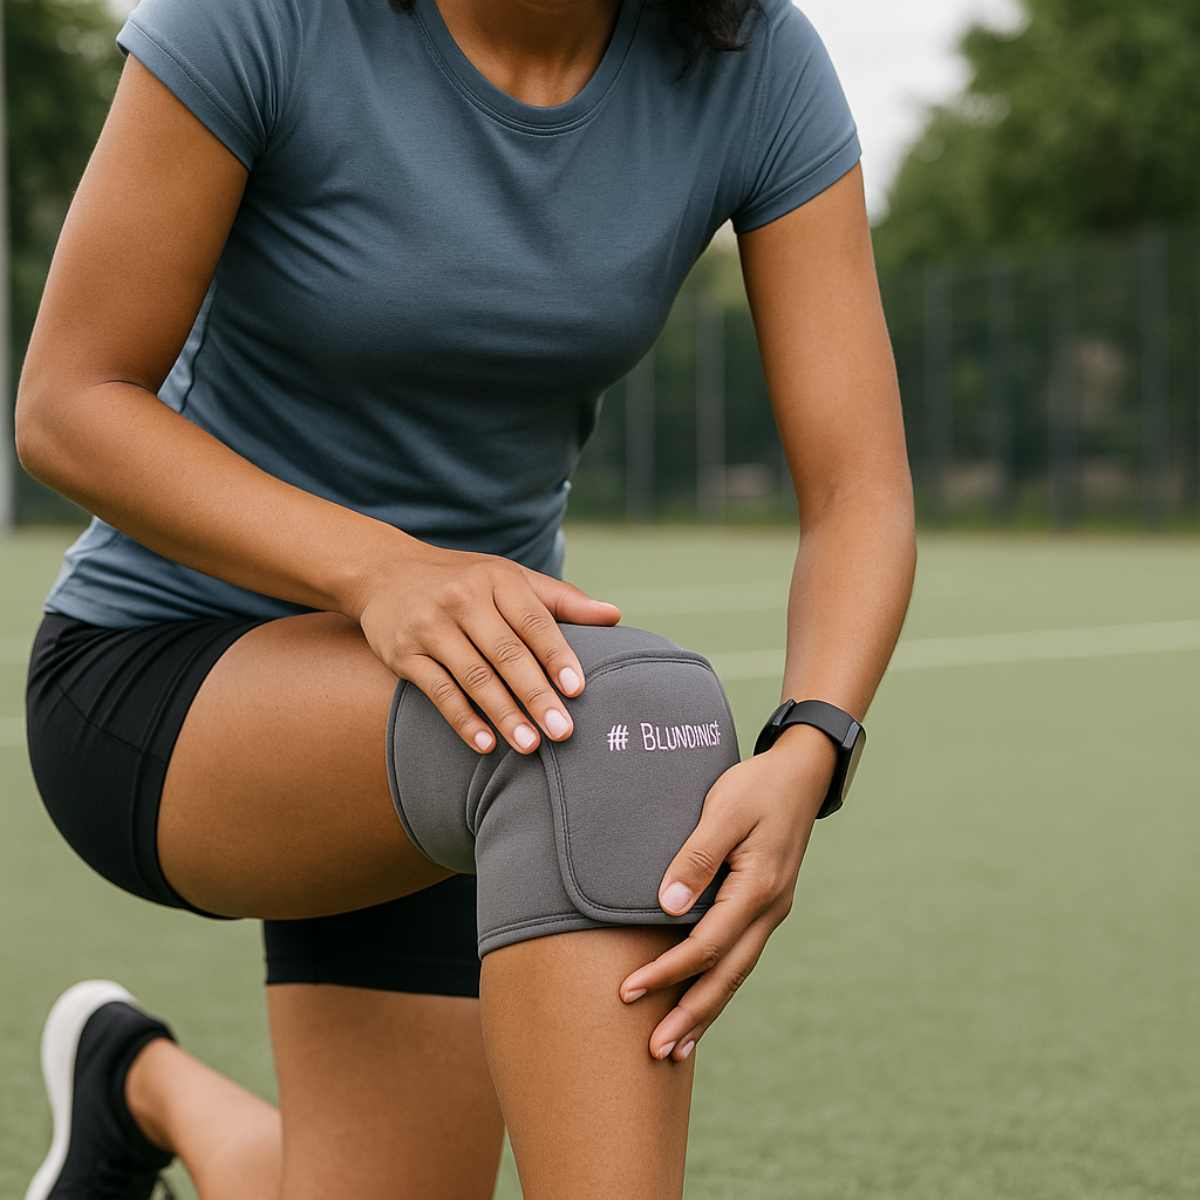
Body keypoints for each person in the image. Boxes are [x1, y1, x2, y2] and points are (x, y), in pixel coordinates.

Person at [15, 0, 916, 1195]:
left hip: (468, 702)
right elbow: (69, 402)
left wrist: (815, 743)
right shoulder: (263, 17)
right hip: (170, 671)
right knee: (627, 724)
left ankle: (139, 1088)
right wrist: (377, 569)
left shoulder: (752, 59)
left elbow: (860, 492)